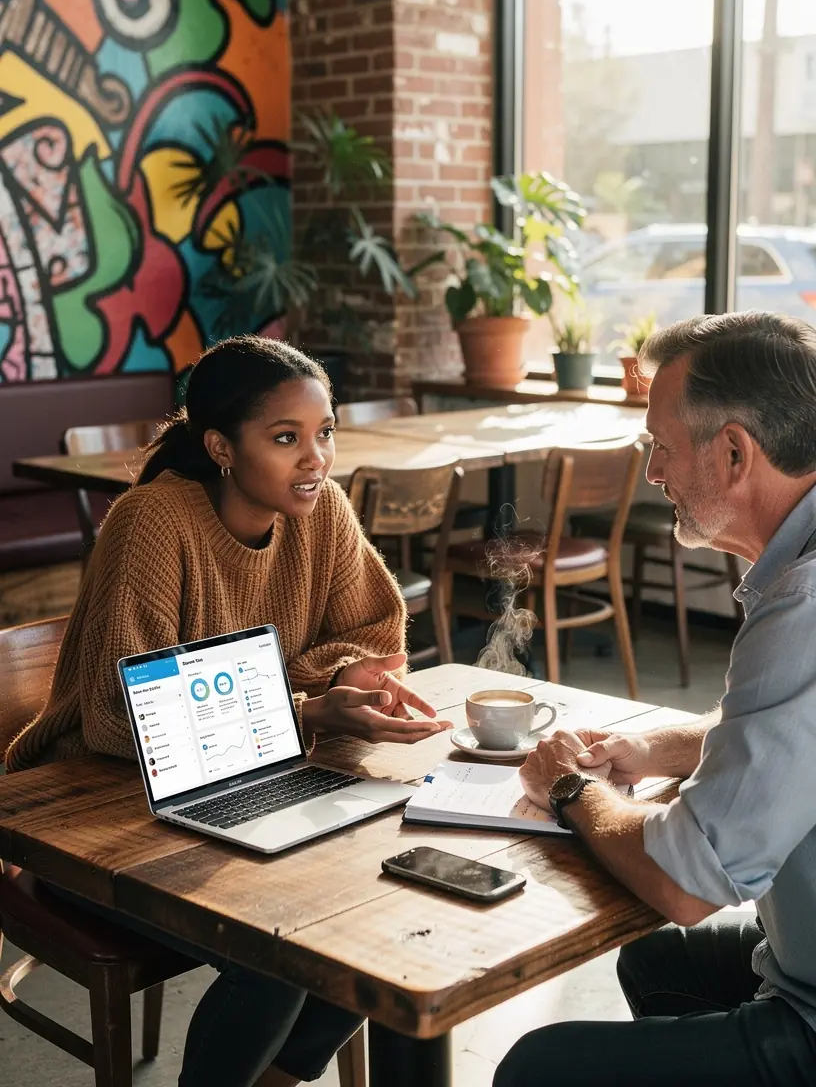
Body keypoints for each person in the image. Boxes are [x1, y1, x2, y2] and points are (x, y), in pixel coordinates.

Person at [5, 334, 451, 1087]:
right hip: (101, 808)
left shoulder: (322, 510)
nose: (316, 459)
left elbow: (375, 636)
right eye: (286, 439)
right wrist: (306, 709)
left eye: (325, 433)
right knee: (278, 957)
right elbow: (122, 721)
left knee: (384, 907)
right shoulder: (152, 523)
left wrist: (298, 693)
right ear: (220, 446)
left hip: (245, 779)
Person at [495, 312, 816, 1087]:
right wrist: (664, 749)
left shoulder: (805, 604)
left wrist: (570, 788)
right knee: (653, 963)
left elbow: (687, 881)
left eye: (661, 447)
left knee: (538, 1068)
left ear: (735, 452)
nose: (655, 474)